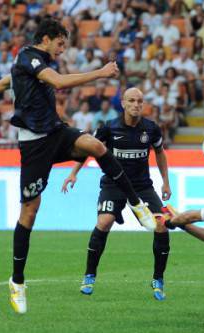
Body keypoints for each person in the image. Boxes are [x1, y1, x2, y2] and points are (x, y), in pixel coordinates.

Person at [0, 18, 157, 314]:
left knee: (97, 147)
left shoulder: (30, 63)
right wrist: (101, 72)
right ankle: (17, 282)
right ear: (46, 38)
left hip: (55, 133)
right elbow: (58, 81)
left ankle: (137, 204)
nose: (62, 50)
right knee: (29, 212)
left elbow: (3, 84)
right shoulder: (30, 56)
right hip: (33, 145)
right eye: (60, 44)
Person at [62, 87, 172, 300]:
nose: (136, 105)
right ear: (123, 103)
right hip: (114, 185)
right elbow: (88, 148)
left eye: (140, 101)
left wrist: (165, 182)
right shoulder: (109, 128)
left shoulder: (151, 129)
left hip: (142, 187)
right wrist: (73, 173)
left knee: (162, 224)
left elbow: (160, 152)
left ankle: (158, 279)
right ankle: (89, 275)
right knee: (103, 222)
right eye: (131, 100)